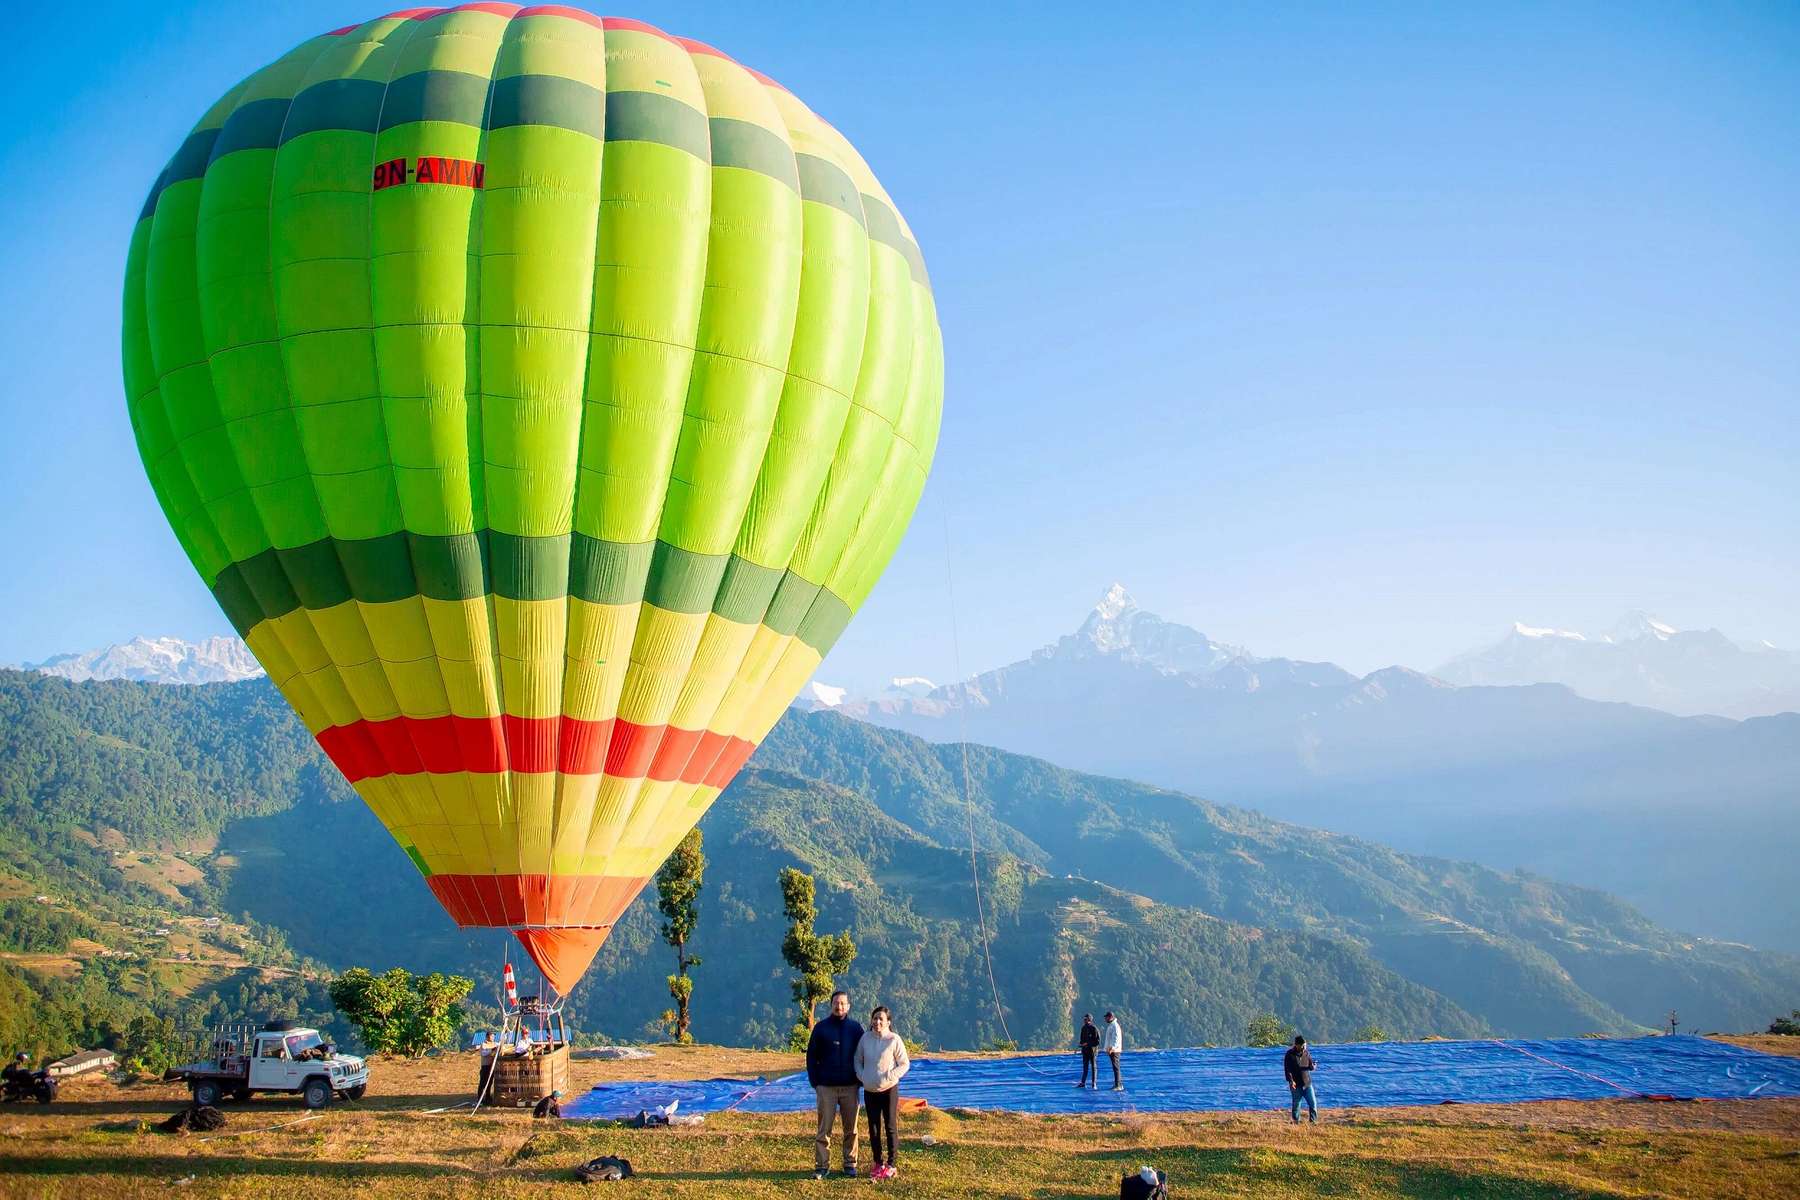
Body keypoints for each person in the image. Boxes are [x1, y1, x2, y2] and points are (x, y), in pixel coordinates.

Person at [806, 989, 864, 1179]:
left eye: (842, 1003)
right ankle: (822, 1166)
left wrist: (860, 1080)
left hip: (850, 1087)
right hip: (826, 1087)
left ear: (848, 1006)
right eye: (836, 1003)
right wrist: (816, 1082)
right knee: (824, 1129)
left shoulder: (856, 1029)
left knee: (851, 1129)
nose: (839, 1006)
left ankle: (850, 1164)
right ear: (831, 1005)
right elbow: (811, 1056)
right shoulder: (821, 1028)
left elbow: (863, 1055)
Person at [853, 1005, 910, 1181]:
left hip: (889, 1089)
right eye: (875, 1018)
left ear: (888, 1022)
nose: (877, 1022)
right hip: (870, 1090)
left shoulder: (894, 1039)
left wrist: (891, 1076)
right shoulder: (865, 1038)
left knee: (890, 1126)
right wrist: (862, 1076)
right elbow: (857, 1059)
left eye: (881, 1019)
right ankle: (878, 1162)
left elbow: (904, 1064)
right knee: (874, 1128)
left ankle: (892, 1165)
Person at [1284, 1035, 1318, 1124]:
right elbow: (1288, 1070)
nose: (1304, 1047)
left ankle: (1313, 1121)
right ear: (1297, 1045)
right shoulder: (1290, 1054)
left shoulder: (1306, 1053)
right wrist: (1291, 1081)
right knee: (1296, 1104)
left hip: (1307, 1083)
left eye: (1305, 1045)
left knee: (1313, 1103)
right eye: (1302, 1045)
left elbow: (1310, 1066)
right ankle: (1296, 1121)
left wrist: (1313, 1066)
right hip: (1296, 1084)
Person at [1075, 1014, 1099, 1089]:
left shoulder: (1094, 1028)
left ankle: (1094, 1083)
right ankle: (1083, 1083)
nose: (1084, 1020)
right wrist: (1080, 1045)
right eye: (1084, 1019)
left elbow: (1097, 1041)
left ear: (1089, 1019)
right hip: (1085, 1051)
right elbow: (1082, 1039)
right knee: (1085, 1067)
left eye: (1086, 1019)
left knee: (1093, 1067)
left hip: (1092, 1051)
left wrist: (1088, 1044)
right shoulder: (1083, 1028)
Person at [1102, 1012, 1124, 1091]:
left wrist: (1112, 1048)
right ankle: (1117, 1084)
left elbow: (1116, 1039)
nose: (1105, 1019)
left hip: (1114, 1050)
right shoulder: (1112, 1025)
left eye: (1106, 1017)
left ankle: (1118, 1085)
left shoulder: (1115, 1026)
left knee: (1116, 1068)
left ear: (1111, 1017)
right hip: (1112, 1050)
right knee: (1115, 1068)